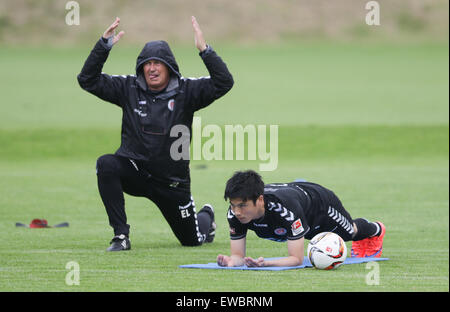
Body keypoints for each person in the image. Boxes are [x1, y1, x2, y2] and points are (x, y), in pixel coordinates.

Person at [77, 16, 234, 251]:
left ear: (168, 67)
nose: (151, 68)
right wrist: (103, 45)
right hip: (136, 172)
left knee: (192, 241)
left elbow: (224, 82)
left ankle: (206, 218)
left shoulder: (187, 90)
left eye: (157, 63)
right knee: (106, 164)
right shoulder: (127, 88)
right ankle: (121, 236)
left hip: (172, 183)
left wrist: (204, 50)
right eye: (147, 63)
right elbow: (87, 80)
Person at [217, 170, 386, 267]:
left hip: (319, 205)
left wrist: (266, 263)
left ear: (260, 200)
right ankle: (298, 185)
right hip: (296, 201)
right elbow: (238, 256)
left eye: (242, 205)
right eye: (233, 204)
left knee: (350, 232)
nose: (237, 211)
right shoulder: (234, 214)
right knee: (301, 230)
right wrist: (231, 261)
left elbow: (296, 259)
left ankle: (376, 229)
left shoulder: (285, 210)